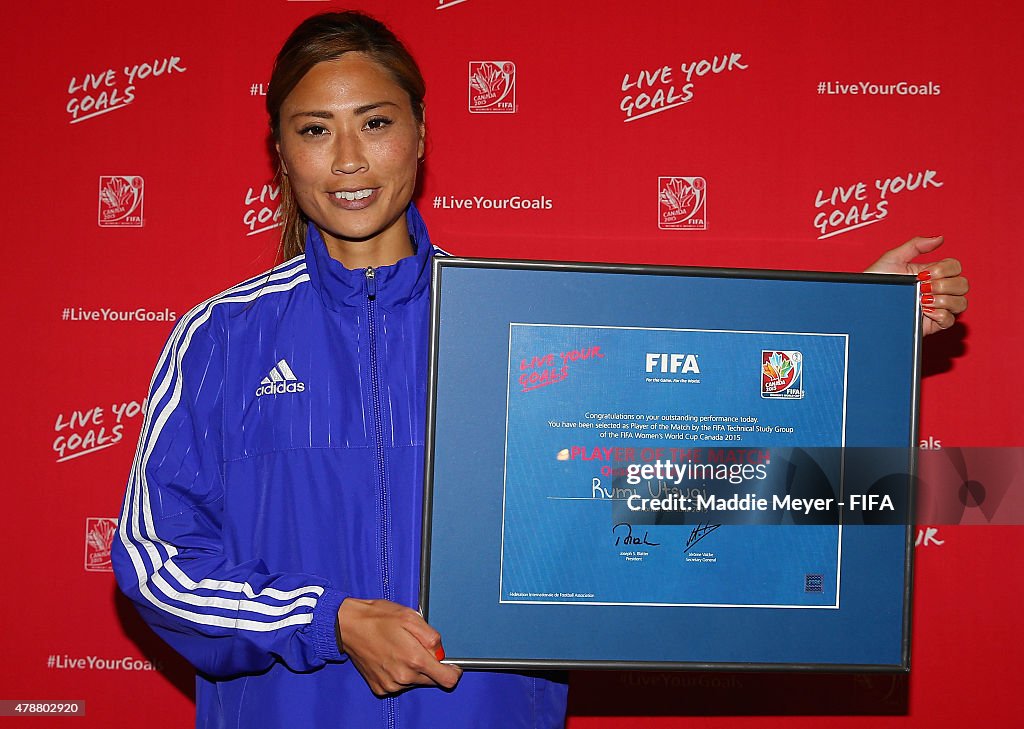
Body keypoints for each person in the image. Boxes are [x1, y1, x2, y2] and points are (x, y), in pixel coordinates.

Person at [112, 10, 968, 729]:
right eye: (314, 129)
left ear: (420, 133)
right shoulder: (221, 339)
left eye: (375, 122)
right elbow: (152, 562)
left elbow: (689, 456)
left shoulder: (517, 324)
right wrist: (325, 620)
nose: (346, 159)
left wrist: (868, 322)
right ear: (281, 153)